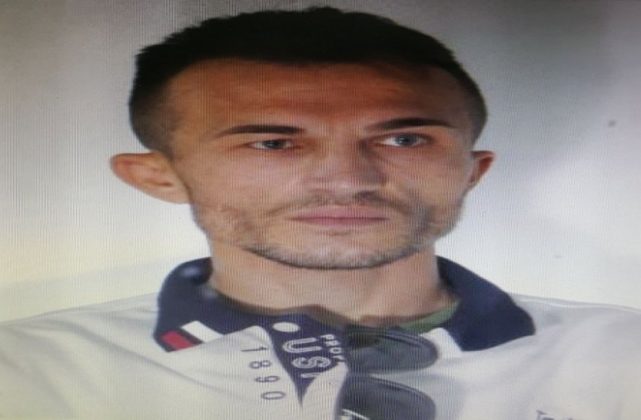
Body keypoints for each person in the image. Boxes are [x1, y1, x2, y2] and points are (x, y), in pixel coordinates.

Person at [1, 6, 639, 420]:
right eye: (272, 143)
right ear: (158, 177)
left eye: (404, 139)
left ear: (471, 170)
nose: (347, 179)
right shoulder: (26, 374)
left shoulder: (625, 359)